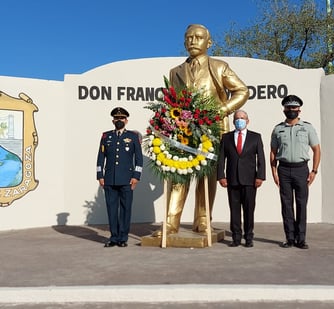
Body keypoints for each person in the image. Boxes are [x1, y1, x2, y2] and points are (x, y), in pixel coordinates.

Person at [153, 24, 249, 236]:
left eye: (198, 37)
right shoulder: (175, 71)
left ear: (209, 42)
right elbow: (172, 103)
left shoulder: (219, 66)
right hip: (184, 131)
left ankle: (203, 220)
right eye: (188, 38)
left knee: (207, 177)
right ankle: (170, 223)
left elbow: (242, 91)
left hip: (212, 130)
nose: (192, 41)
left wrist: (221, 110)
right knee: (179, 173)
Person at [270, 95, 321, 249]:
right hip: (284, 170)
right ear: (284, 109)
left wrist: (314, 171)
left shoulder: (307, 128)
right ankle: (289, 238)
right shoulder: (278, 129)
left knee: (301, 204)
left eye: (294, 108)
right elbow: (273, 152)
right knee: (286, 205)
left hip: (301, 169)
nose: (291, 110)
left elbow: (317, 150)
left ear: (299, 109)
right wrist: (274, 172)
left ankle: (301, 239)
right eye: (288, 108)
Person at [217, 110, 266, 247]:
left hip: (250, 180)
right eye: (237, 118)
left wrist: (260, 176)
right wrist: (221, 176)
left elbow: (260, 158)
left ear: (247, 121)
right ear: (233, 121)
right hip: (232, 180)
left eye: (242, 118)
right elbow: (221, 159)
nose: (240, 120)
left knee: (249, 210)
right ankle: (236, 237)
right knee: (234, 210)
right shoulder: (226, 137)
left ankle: (249, 237)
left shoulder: (255, 137)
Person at [97, 107, 143, 247]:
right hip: (109, 179)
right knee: (111, 209)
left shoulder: (133, 136)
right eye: (116, 118)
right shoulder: (106, 136)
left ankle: (123, 238)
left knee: (125, 209)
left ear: (126, 121)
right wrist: (100, 175)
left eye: (121, 118)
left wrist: (136, 176)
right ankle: (113, 237)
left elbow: (139, 159)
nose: (119, 120)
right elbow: (100, 157)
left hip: (127, 179)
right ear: (113, 121)